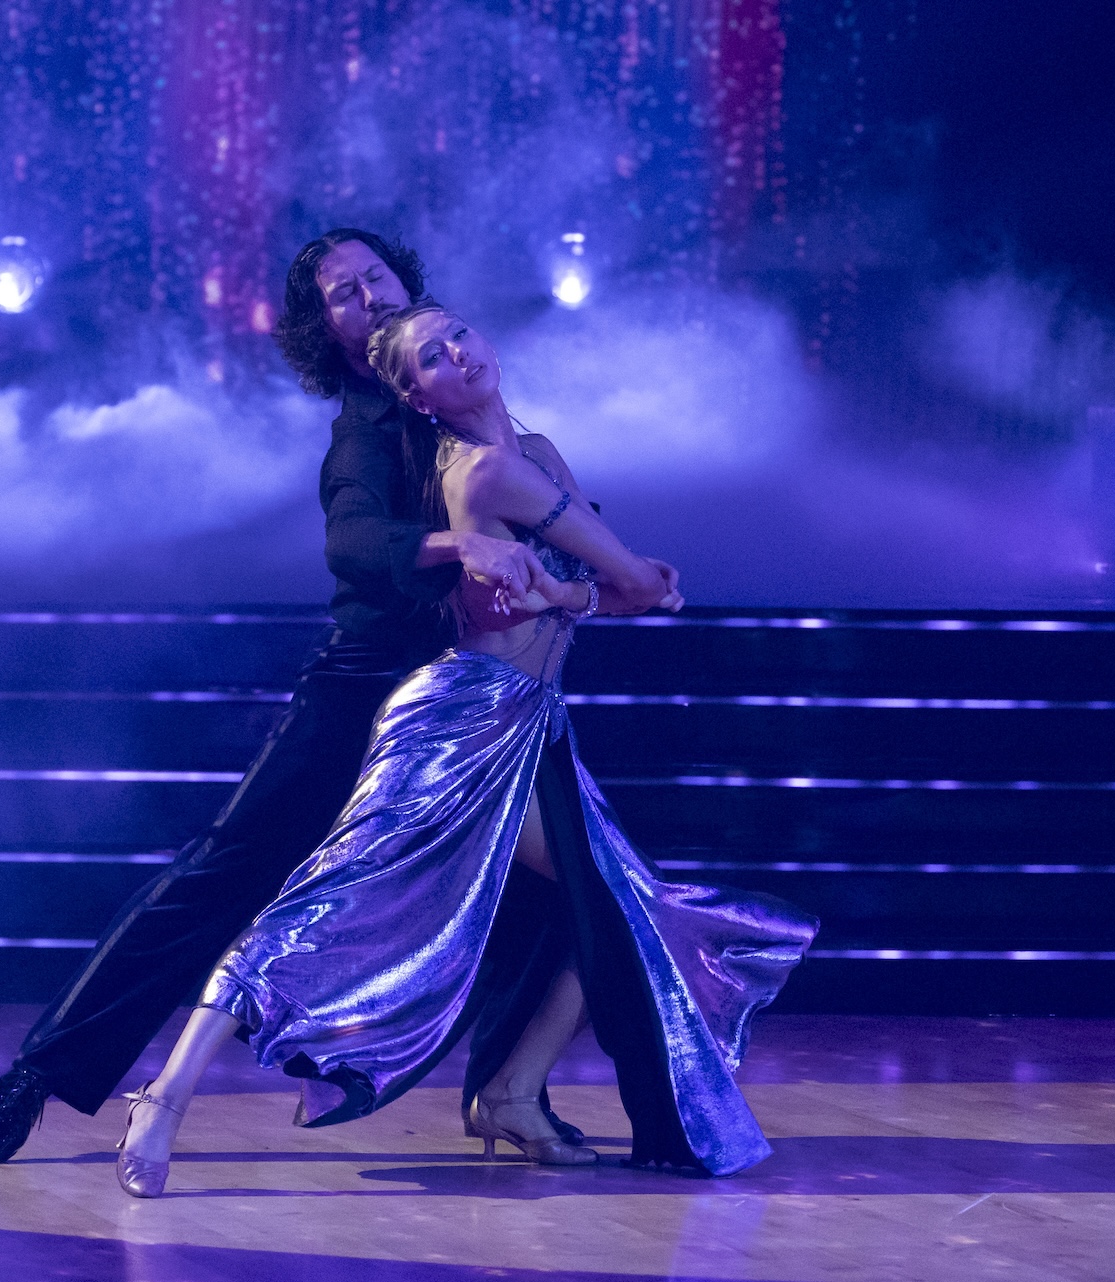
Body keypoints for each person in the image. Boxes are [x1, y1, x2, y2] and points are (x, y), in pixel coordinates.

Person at [110, 301, 819, 1197]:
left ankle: (514, 1092)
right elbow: (626, 579)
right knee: (327, 906)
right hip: (458, 722)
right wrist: (616, 589)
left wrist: (584, 593)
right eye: (432, 358)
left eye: (460, 335)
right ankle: (164, 1099)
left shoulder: (538, 450)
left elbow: (594, 586)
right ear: (419, 395)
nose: (458, 354)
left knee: (616, 904)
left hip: (528, 721)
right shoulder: (487, 473)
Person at [0, 231, 561, 1164]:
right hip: (368, 688)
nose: (367, 297)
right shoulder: (365, 428)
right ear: (327, 330)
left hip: (480, 698)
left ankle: (508, 1092)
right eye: (344, 295)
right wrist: (461, 548)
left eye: (376, 279)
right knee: (224, 872)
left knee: (562, 881)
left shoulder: (463, 378)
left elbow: (549, 501)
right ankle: (42, 1070)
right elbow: (356, 542)